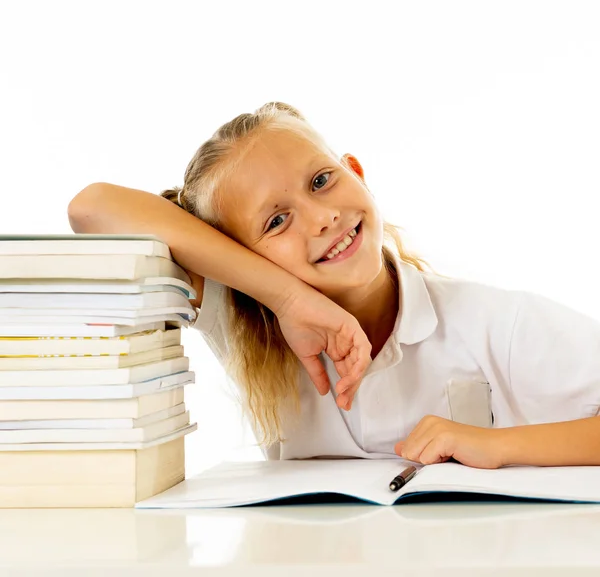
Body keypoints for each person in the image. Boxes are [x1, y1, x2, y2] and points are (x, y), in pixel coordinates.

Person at [68, 101, 600, 469]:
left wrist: (499, 445)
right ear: (235, 257)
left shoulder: (494, 321)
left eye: (322, 181)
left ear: (356, 172)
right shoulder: (242, 320)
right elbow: (91, 208)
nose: (321, 219)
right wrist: (286, 297)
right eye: (275, 221)